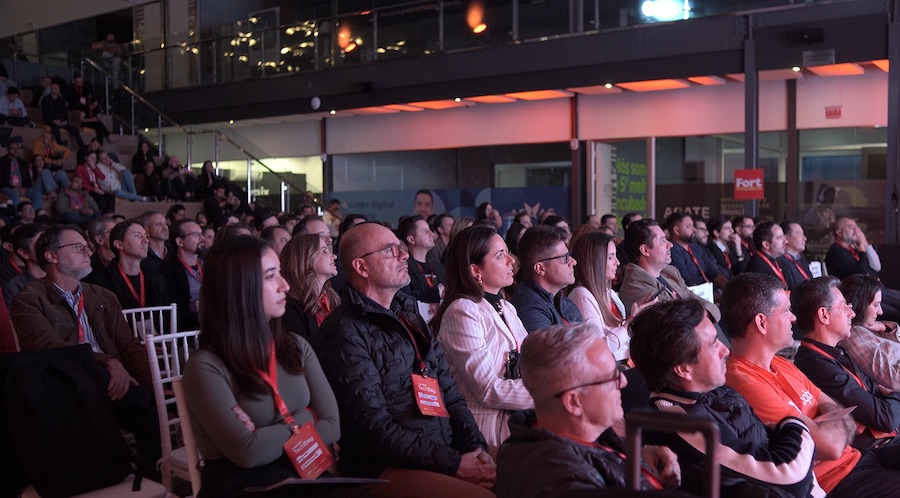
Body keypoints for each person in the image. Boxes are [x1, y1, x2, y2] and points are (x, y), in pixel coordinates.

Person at [316, 222, 495, 497]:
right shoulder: (343, 331)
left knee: (524, 471)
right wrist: (455, 463)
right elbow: (374, 430)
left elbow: (451, 394)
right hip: (383, 468)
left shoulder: (408, 314)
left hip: (440, 450)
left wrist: (474, 449)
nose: (404, 256)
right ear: (361, 267)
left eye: (401, 247)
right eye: (391, 250)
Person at [182, 235, 340, 497]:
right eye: (270, 276)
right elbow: (248, 452)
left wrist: (267, 434)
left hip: (304, 474)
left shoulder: (295, 346)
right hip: (243, 485)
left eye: (280, 273)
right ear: (238, 288)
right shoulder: (206, 367)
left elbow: (333, 425)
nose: (285, 285)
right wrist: (306, 416)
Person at [724, 272, 900, 496]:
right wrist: (832, 418)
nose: (794, 318)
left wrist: (825, 421)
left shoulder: (782, 364)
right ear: (761, 322)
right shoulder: (743, 381)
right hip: (837, 479)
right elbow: (831, 445)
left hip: (859, 458)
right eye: (786, 311)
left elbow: (841, 412)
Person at [10, 224, 160, 479]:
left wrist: (155, 385)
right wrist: (108, 361)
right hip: (69, 386)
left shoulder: (102, 295)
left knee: (151, 402)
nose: (88, 252)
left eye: (87, 247)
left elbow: (128, 346)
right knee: (138, 402)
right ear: (52, 256)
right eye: (78, 247)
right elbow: (47, 347)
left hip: (113, 381)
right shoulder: (29, 299)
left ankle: (153, 475)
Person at [629, 298, 819, 497]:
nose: (725, 350)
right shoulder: (682, 424)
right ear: (683, 369)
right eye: (713, 344)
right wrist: (795, 424)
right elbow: (789, 476)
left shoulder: (711, 389)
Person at [496, 321, 679, 497]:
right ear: (574, 402)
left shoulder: (569, 437)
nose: (623, 381)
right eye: (612, 376)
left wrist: (639, 460)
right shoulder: (557, 478)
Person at [432, 224, 533, 448]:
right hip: (484, 432)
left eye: (507, 251)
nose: (511, 260)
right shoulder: (463, 311)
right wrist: (550, 394)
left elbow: (531, 360)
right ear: (475, 270)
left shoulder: (506, 307)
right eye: (500, 256)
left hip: (515, 420)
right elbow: (487, 389)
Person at [792, 276, 900, 448]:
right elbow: (884, 417)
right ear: (824, 315)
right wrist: (895, 395)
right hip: (877, 448)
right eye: (844, 307)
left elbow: (875, 394)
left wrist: (889, 398)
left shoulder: (836, 353)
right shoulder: (816, 365)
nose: (852, 313)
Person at [617, 219, 722, 335]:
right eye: (662, 240)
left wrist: (694, 315)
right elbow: (674, 326)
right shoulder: (635, 287)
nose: (670, 244)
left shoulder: (670, 273)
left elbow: (712, 308)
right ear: (645, 250)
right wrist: (702, 313)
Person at [568, 231, 638, 363]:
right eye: (611, 257)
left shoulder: (609, 292)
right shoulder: (582, 296)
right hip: (610, 368)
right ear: (595, 261)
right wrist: (629, 323)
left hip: (626, 361)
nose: (617, 262)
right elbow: (600, 347)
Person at [509, 225, 582, 332]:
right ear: (540, 268)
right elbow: (551, 349)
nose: (573, 262)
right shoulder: (529, 309)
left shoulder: (560, 299)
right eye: (564, 258)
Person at [839, 274, 900, 392]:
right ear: (860, 304)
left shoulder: (869, 327)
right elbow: (894, 382)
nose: (880, 311)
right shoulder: (854, 336)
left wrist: (884, 327)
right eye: (875, 305)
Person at [279, 233, 339, 343]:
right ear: (305, 259)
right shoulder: (288, 308)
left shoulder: (332, 299)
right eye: (325, 251)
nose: (334, 256)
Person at [105, 220, 170, 311]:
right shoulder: (103, 283)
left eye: (146, 236)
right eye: (137, 235)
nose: (146, 240)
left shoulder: (157, 278)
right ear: (119, 244)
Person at [398, 215, 447, 324]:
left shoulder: (437, 266)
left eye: (430, 230)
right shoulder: (403, 267)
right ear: (411, 239)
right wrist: (437, 292)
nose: (432, 234)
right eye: (425, 231)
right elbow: (405, 298)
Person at [159, 219, 205, 330]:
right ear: (180, 241)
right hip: (187, 329)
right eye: (196, 235)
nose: (202, 238)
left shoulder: (208, 263)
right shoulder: (168, 270)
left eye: (201, 234)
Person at [666, 212, 726, 289]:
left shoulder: (696, 247)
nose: (694, 229)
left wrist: (730, 290)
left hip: (709, 293)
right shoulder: (671, 251)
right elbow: (687, 284)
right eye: (688, 226)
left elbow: (714, 274)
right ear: (676, 230)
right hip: (693, 296)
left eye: (693, 225)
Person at [3, 223, 47, 306]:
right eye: (40, 244)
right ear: (24, 253)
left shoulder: (62, 277)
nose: (48, 248)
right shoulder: (15, 288)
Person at [746, 221, 796, 290]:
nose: (785, 241)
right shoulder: (756, 268)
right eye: (779, 238)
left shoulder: (780, 261)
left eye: (783, 236)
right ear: (766, 245)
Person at [40, 81, 85, 149]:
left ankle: (82, 146)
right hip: (49, 120)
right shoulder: (46, 99)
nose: (55, 89)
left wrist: (65, 121)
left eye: (57, 88)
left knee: (74, 129)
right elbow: (45, 113)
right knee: (55, 127)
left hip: (60, 121)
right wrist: (54, 121)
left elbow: (65, 112)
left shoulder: (62, 100)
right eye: (53, 88)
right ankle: (60, 144)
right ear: (51, 89)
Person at [781, 222, 813, 287]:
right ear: (786, 238)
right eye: (799, 234)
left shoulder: (801, 259)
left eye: (803, 234)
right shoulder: (780, 261)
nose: (804, 238)